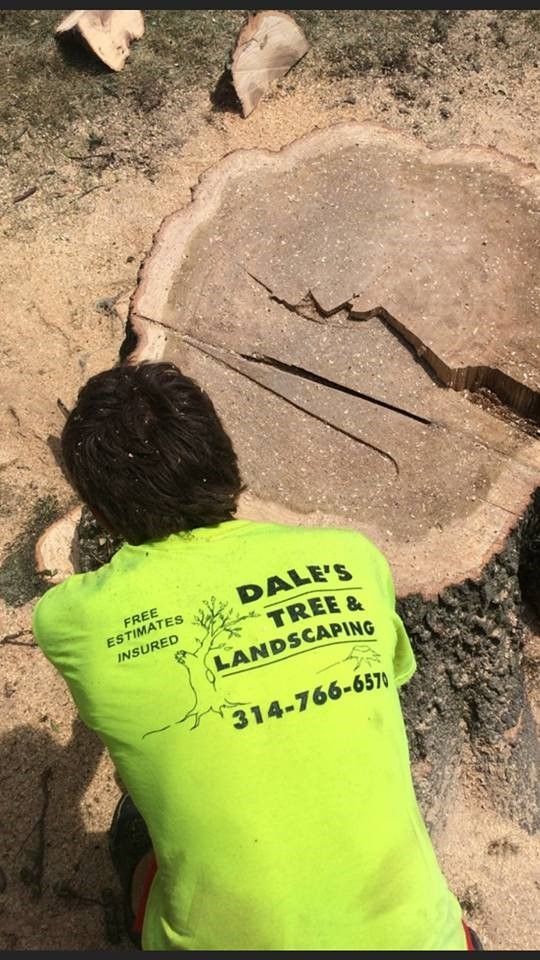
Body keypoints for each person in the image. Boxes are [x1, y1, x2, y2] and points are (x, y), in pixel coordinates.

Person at [32, 361, 482, 951]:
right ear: (227, 463)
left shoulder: (69, 620)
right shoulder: (353, 556)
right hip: (423, 941)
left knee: (142, 848)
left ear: (104, 513)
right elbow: (390, 673)